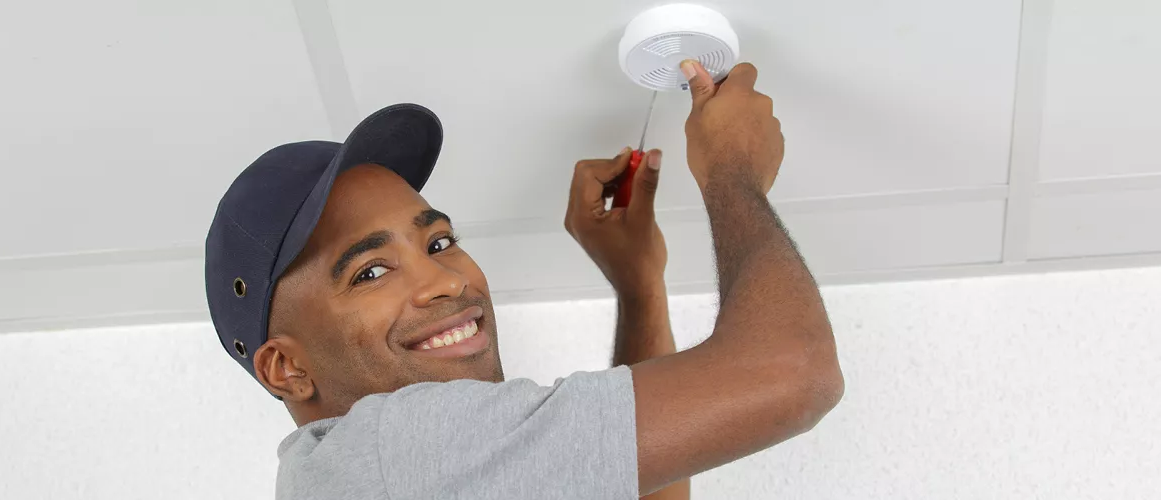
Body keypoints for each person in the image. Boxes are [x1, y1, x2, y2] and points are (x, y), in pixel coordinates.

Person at [204, 60, 843, 500]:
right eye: (370, 271)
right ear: (287, 368)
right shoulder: (389, 452)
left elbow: (633, 480)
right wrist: (732, 169)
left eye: (439, 241)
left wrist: (638, 284)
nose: (444, 282)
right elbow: (795, 373)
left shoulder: (386, 477)